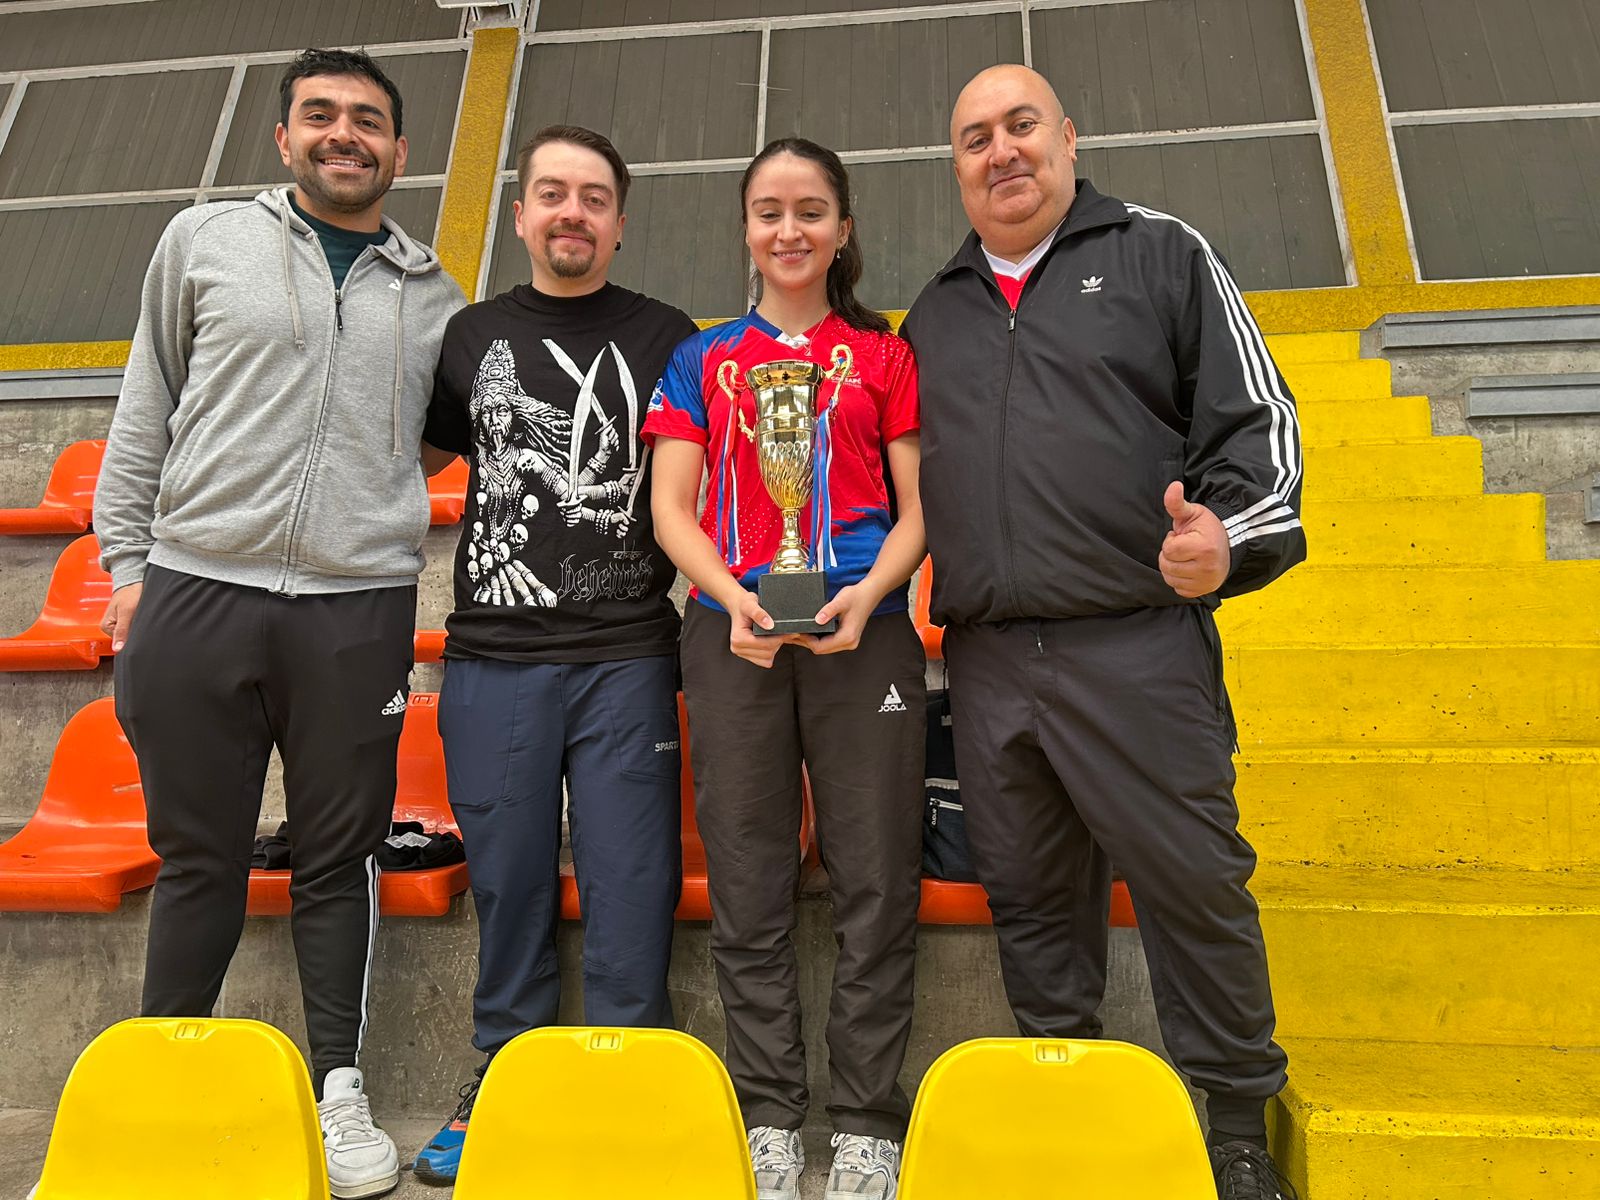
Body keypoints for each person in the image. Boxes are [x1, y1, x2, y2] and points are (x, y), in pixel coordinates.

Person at [900, 65, 1305, 1200]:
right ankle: (1061, 1084)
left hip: (1136, 644)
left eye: (1020, 125)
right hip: (985, 660)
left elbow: (1260, 432)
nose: (1001, 152)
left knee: (1191, 885)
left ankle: (1231, 1128)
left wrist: (1223, 541)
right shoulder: (934, 308)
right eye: (974, 136)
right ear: (957, 166)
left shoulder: (1161, 252)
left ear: (1068, 136)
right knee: (1029, 894)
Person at [92, 48, 464, 1200]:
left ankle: (337, 1089)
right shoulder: (202, 242)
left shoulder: (437, 293)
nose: (343, 134)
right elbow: (145, 404)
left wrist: (369, 494)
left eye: (367, 121)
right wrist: (127, 565)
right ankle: (172, 1079)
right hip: (198, 588)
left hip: (355, 607)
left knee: (336, 855)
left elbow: (443, 435)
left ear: (400, 152)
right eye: (321, 116)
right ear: (284, 136)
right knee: (198, 857)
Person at [409, 125, 697, 1186]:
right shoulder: (466, 334)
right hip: (493, 658)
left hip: (627, 655)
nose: (571, 213)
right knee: (511, 886)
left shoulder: (671, 334)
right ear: (522, 214)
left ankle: (632, 1084)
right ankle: (502, 1077)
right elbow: (417, 454)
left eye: (592, 197)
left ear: (619, 221)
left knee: (631, 885)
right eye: (550, 195)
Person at [645, 137, 925, 1200]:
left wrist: (866, 594)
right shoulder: (703, 359)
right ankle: (768, 1114)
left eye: (811, 210)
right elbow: (672, 508)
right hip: (734, 639)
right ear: (746, 230)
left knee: (874, 877)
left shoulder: (887, 355)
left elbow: (917, 509)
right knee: (751, 881)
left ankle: (864, 1123)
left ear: (842, 228)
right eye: (769, 211)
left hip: (869, 631)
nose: (789, 230)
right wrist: (731, 600)